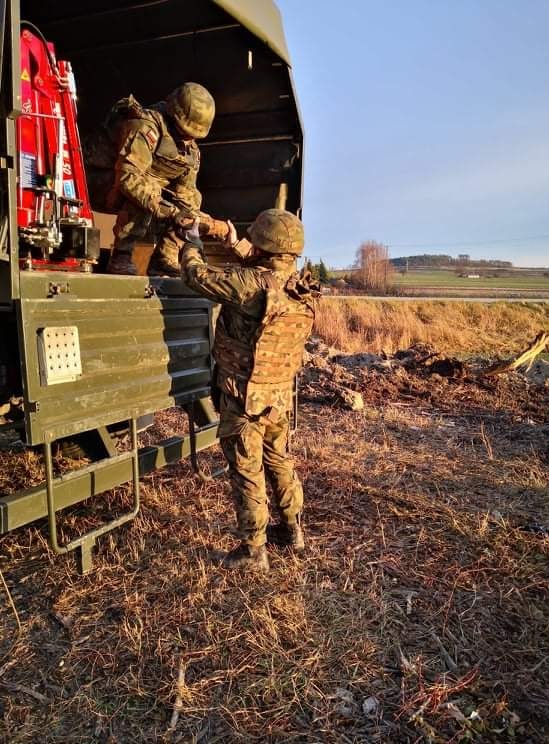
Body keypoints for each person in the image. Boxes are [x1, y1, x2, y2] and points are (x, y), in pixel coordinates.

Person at [180, 209, 320, 572]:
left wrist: (193, 241)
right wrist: (230, 237)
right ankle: (293, 532)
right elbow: (263, 273)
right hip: (278, 396)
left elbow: (195, 276)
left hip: (243, 397)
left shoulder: (247, 285)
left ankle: (253, 551)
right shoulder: (301, 286)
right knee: (279, 461)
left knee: (246, 470)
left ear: (262, 244)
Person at [85, 82, 226, 276]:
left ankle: (164, 257)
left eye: (193, 135)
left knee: (192, 200)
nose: (189, 140)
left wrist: (188, 215)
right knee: (147, 189)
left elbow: (186, 193)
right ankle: (121, 256)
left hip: (134, 184)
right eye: (185, 132)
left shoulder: (191, 151)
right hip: (95, 184)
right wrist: (170, 212)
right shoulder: (144, 126)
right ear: (173, 116)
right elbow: (129, 179)